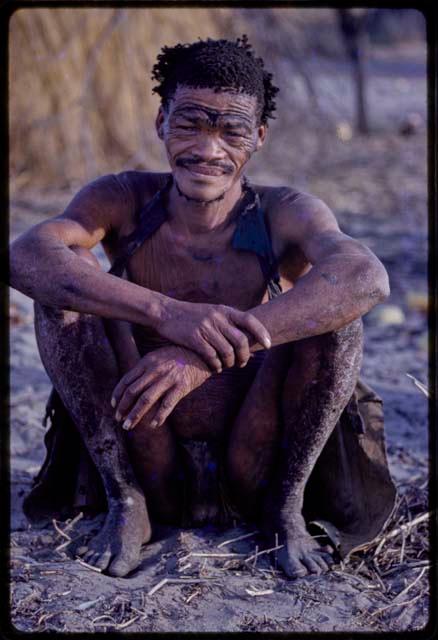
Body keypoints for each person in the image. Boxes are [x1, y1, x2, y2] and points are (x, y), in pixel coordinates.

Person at [9, 36, 396, 579]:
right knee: (62, 298)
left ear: (258, 137)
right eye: (190, 122)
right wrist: (169, 314)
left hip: (254, 458)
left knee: (337, 322)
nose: (209, 149)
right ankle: (126, 503)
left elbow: (365, 277)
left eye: (231, 130)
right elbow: (27, 255)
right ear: (161, 121)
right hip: (148, 454)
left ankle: (287, 508)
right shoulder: (123, 197)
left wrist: (200, 356)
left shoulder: (285, 211)